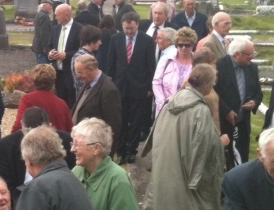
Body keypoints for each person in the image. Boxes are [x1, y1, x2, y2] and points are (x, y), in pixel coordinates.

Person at [145, 64, 226, 210]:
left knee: (170, 199)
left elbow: (155, 132)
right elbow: (205, 145)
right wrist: (220, 142)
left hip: (167, 161)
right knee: (198, 202)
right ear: (207, 86)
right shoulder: (199, 109)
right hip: (188, 165)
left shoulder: (172, 100)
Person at [0, 107, 75, 202]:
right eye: (29, 134)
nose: (34, 140)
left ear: (50, 127)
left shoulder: (66, 142)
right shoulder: (5, 147)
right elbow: (4, 185)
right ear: (22, 127)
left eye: (40, 134)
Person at [105, 11, 155, 163]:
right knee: (121, 121)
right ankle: (120, 152)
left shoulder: (146, 41)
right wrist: (110, 84)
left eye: (131, 29)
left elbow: (150, 66)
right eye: (126, 28)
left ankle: (131, 151)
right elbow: (110, 63)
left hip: (139, 87)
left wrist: (149, 88)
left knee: (135, 121)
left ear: (137, 25)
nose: (128, 32)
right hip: (120, 87)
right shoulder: (116, 39)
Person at [214, 37, 263, 167]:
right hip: (224, 122)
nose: (252, 57)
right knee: (225, 159)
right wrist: (226, 111)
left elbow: (258, 93)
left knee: (242, 159)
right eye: (249, 54)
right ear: (237, 54)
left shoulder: (252, 68)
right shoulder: (219, 66)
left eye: (253, 54)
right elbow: (213, 93)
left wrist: (254, 102)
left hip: (243, 124)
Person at [72, 54, 122, 155]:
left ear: (90, 69)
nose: (78, 76)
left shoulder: (108, 90)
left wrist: (108, 154)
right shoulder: (89, 82)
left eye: (80, 72)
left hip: (95, 151)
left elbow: (113, 125)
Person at [11, 63, 72, 133]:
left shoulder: (27, 99)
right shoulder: (62, 103)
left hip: (35, 141)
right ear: (53, 80)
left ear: (33, 80)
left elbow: (19, 124)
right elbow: (69, 129)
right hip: (57, 141)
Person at [153, 26, 197, 117]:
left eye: (187, 45)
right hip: (165, 110)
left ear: (193, 45)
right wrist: (162, 103)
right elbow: (156, 82)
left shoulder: (197, 63)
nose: (183, 48)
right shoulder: (166, 59)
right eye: (180, 45)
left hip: (188, 111)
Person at [48, 4, 83, 108]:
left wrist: (66, 55)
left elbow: (82, 50)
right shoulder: (55, 29)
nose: (55, 17)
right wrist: (50, 53)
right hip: (58, 73)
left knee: (72, 103)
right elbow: (49, 45)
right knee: (59, 102)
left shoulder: (79, 29)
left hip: (72, 73)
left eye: (57, 15)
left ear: (67, 15)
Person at [70, 24, 102, 97]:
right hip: (87, 97)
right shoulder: (85, 58)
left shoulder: (79, 54)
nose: (100, 42)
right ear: (93, 40)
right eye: (98, 40)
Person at [31, 0, 54, 64]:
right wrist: (46, 48)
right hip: (41, 48)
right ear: (44, 6)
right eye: (49, 5)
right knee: (43, 68)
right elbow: (44, 33)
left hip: (38, 46)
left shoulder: (39, 14)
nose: (51, 8)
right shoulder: (44, 17)